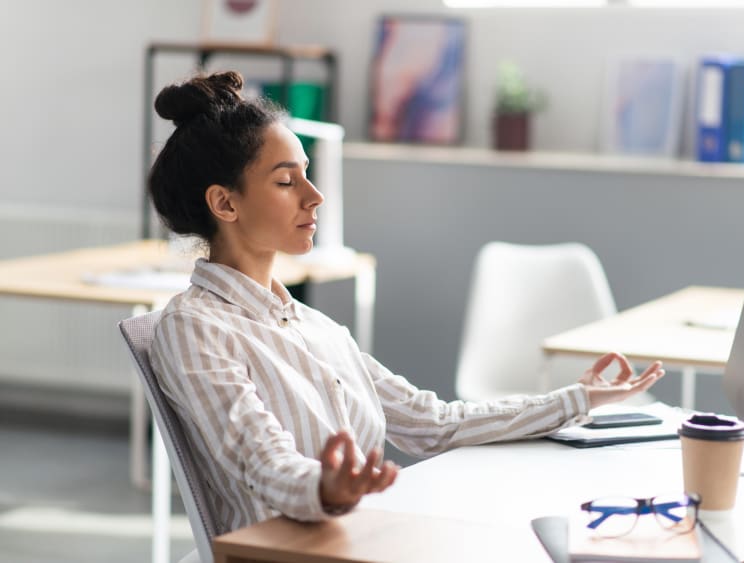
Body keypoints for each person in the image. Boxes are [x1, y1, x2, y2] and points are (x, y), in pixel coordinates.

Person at [147, 71, 665, 533]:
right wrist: (326, 487)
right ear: (224, 202)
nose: (314, 195)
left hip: (359, 535)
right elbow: (259, 464)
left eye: (307, 172)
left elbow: (432, 422)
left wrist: (578, 398)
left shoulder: (314, 327)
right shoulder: (195, 327)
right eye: (286, 180)